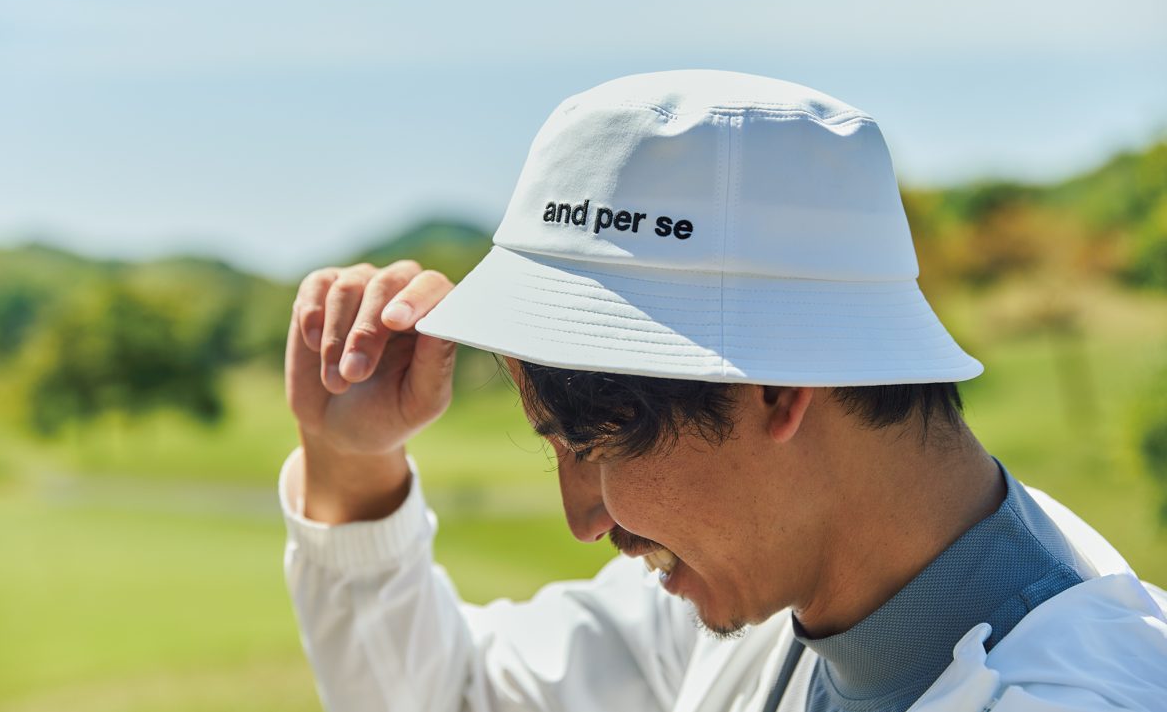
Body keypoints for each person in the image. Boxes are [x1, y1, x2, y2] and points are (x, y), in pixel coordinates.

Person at [279, 71, 1167, 712]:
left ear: (777, 385)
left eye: (594, 443)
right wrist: (351, 461)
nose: (584, 519)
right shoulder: (764, 582)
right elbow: (454, 694)